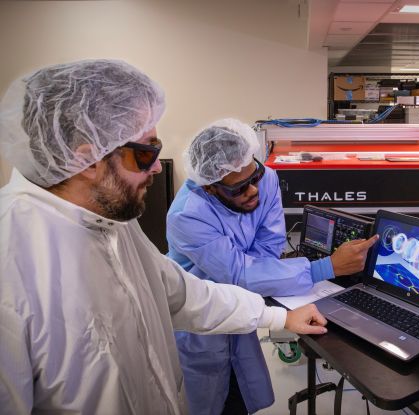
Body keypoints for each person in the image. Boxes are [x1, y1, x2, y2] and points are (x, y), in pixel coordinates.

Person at [0, 59, 329, 415]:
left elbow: (182, 295)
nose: (158, 166)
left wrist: (278, 319)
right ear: (89, 158)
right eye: (146, 153)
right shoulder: (12, 257)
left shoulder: (112, 222)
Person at [166, 118, 378, 415]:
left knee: (240, 392)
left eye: (255, 177)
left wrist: (257, 275)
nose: (254, 190)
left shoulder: (265, 178)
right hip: (201, 318)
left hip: (246, 304)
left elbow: (268, 247)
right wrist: (325, 267)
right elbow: (240, 274)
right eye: (239, 188)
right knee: (209, 398)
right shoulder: (188, 215)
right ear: (212, 189)